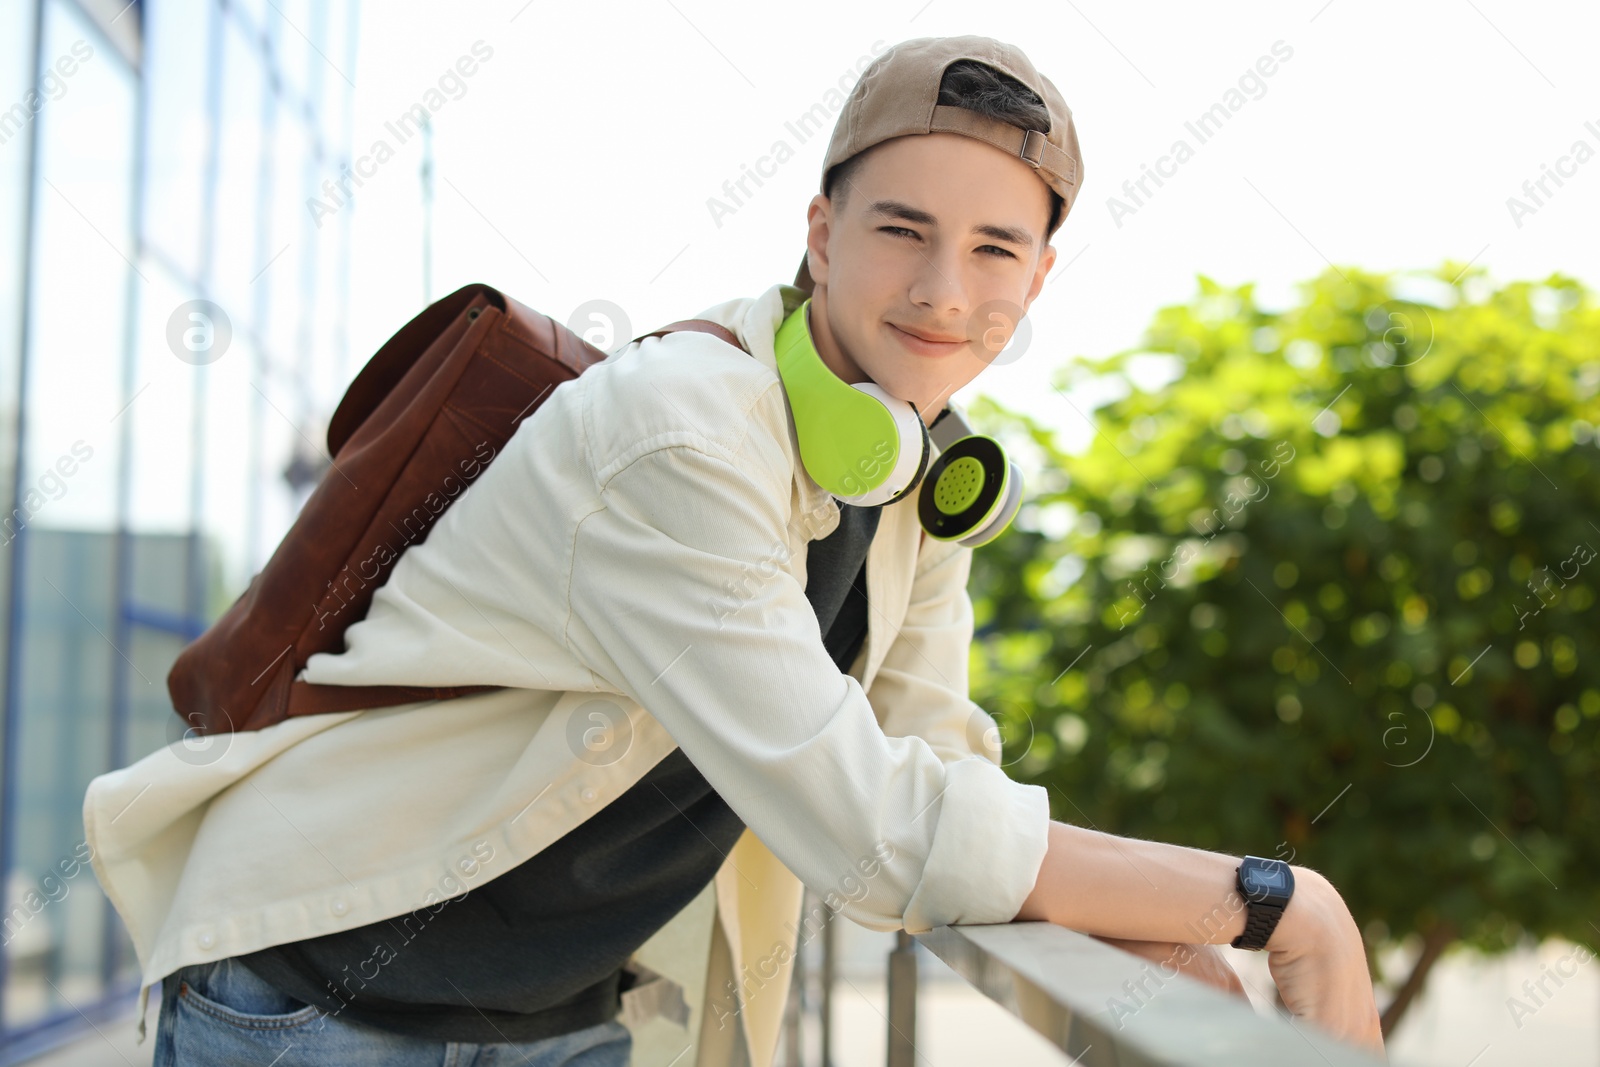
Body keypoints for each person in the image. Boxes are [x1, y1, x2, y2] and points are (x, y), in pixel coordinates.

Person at [82, 34, 1384, 1067]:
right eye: (900, 230)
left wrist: (1140, 925)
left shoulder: (917, 463)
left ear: (1039, 278)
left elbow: (933, 761)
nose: (944, 289)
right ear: (820, 234)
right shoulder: (684, 435)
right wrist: (1276, 903)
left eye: (995, 247)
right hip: (319, 1004)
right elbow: (868, 825)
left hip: (557, 1013)